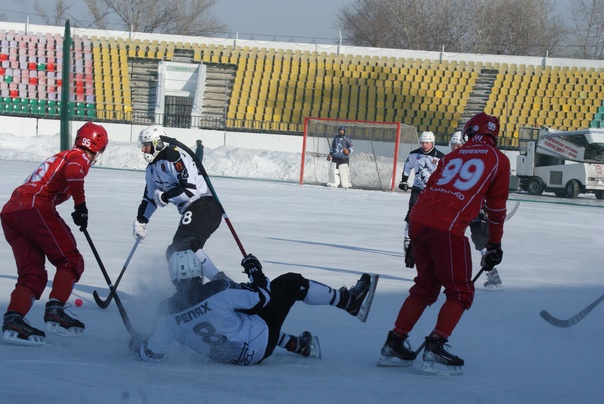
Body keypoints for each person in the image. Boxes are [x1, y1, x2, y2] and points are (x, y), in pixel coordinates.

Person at [378, 112, 509, 375]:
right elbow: (496, 209)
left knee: (426, 286)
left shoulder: (452, 155)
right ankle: (436, 346)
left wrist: (415, 238)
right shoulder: (499, 159)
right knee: (461, 292)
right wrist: (494, 245)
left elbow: (430, 189)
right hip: (447, 228)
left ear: (471, 132)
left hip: (419, 221)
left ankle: (395, 342)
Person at [130, 250, 376, 365]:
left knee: (235, 317)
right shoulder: (219, 291)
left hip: (229, 358)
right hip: (260, 345)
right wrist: (254, 270)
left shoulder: (166, 313)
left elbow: (151, 354)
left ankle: (296, 344)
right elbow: (264, 297)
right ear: (198, 273)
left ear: (173, 277)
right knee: (289, 284)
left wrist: (139, 343)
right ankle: (349, 302)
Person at [1, 122, 109, 346]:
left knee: (32, 273)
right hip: (35, 206)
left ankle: (14, 319)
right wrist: (80, 206)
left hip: (12, 211)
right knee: (70, 260)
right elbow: (73, 173)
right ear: (99, 147)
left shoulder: (63, 155)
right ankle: (55, 310)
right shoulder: (79, 157)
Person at [132, 125, 223, 269]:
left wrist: (165, 197)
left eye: (146, 146)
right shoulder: (151, 169)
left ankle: (219, 279)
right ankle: (190, 287)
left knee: (183, 248)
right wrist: (140, 221)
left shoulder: (173, 158)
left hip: (205, 205)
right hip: (193, 208)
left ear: (157, 144)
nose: (143, 150)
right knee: (174, 252)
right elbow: (149, 198)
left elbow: (190, 190)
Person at [452, 131, 504, 291]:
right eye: (454, 146)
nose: (455, 148)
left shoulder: (476, 161)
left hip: (472, 209)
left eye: (457, 145)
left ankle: (493, 276)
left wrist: (485, 207)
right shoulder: (453, 160)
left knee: (481, 241)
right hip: (455, 209)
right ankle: (445, 274)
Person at [399, 131, 445, 267]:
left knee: (433, 217)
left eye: (427, 142)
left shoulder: (441, 157)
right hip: (417, 189)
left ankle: (430, 242)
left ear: (432, 142)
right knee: (411, 214)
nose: (424, 145)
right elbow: (407, 166)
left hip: (433, 192)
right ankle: (407, 239)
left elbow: (445, 173)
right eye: (422, 142)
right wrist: (404, 180)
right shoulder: (414, 154)